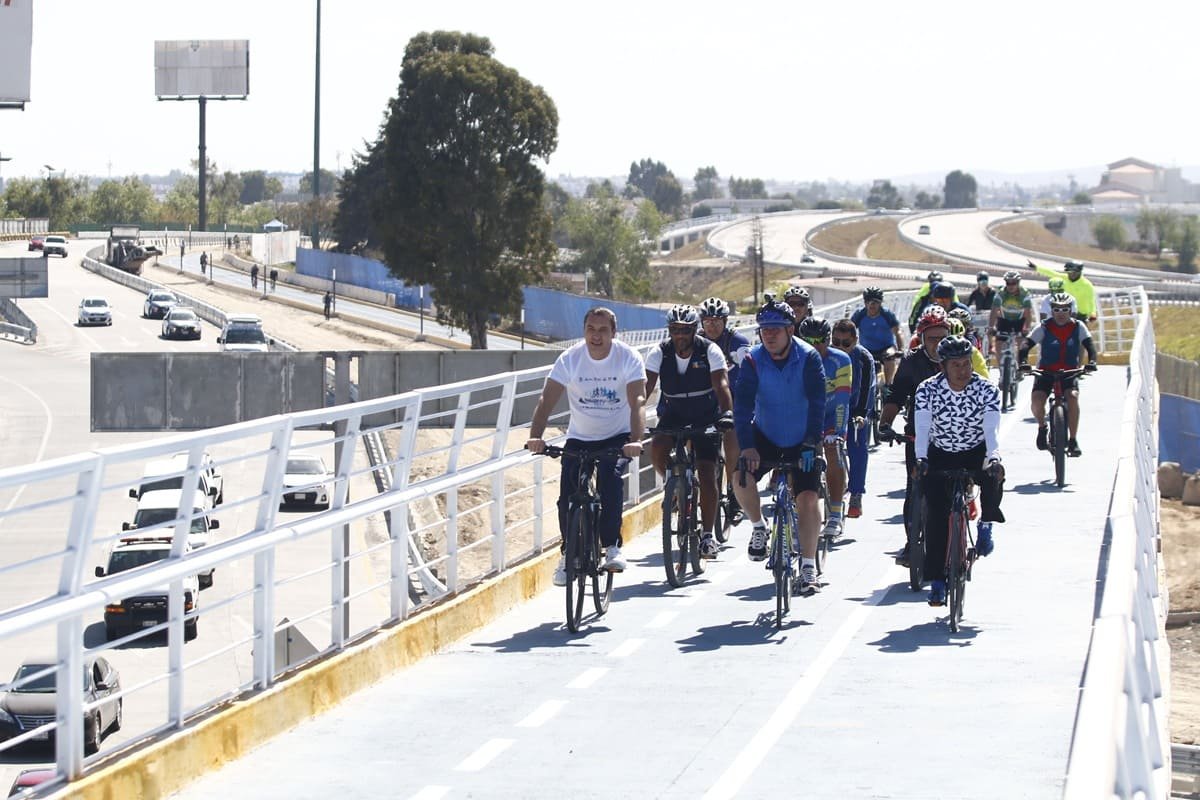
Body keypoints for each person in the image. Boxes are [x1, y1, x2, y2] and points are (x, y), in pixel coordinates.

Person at [526, 308, 647, 585]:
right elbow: (546, 400)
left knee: (610, 479)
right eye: (591, 329)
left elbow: (638, 400)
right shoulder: (570, 359)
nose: (596, 335)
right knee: (567, 495)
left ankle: (612, 545)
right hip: (580, 437)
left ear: (613, 333)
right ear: (584, 331)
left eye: (603, 330)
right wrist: (536, 436)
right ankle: (568, 555)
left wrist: (636, 440)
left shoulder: (627, 357)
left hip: (616, 436)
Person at [732, 298, 826, 595]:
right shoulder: (752, 360)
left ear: (790, 330)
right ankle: (759, 527)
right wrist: (747, 447)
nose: (768, 335)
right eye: (763, 330)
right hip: (766, 435)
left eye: (775, 329)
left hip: (802, 439)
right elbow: (743, 407)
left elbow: (818, 403)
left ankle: (809, 566)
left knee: (808, 498)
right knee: (739, 478)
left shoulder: (809, 357)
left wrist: (812, 443)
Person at [914, 335, 1005, 606]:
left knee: (994, 474)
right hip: (940, 453)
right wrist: (921, 458)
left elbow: (991, 429)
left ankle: (986, 523)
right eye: (956, 365)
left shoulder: (987, 390)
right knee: (937, 516)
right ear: (943, 366)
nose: (963, 370)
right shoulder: (927, 390)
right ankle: (938, 582)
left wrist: (994, 457)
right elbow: (922, 427)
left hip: (975, 450)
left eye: (966, 364)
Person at [645, 305, 734, 558]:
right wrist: (633, 413)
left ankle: (707, 536)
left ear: (695, 329)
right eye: (675, 330)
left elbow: (722, 384)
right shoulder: (659, 352)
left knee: (707, 473)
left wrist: (727, 414)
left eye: (685, 330)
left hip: (705, 414)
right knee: (658, 446)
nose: (679, 335)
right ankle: (673, 487)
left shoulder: (709, 350)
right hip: (674, 412)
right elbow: (646, 386)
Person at [878, 306, 950, 563]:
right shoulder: (911, 362)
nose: (938, 344)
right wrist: (885, 424)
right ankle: (912, 542)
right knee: (915, 489)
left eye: (943, 337)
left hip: (954, 435)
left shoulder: (958, 358)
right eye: (932, 338)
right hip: (918, 436)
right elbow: (897, 396)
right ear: (921, 338)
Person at [1019, 293, 1099, 456]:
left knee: (1073, 397)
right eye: (1056, 309)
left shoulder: (1078, 326)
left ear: (1071, 311)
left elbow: (1090, 346)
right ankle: (1042, 427)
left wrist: (1091, 362)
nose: (1060, 313)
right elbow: (1026, 345)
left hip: (1069, 372)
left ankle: (1073, 440)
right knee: (1037, 400)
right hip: (1045, 372)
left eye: (1065, 309)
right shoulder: (1044, 327)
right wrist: (1023, 363)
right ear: (1051, 311)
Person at [798, 317, 852, 538]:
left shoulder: (841, 360)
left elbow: (841, 400)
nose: (815, 346)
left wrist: (837, 434)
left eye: (820, 341)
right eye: (809, 341)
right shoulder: (795, 359)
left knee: (833, 452)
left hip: (831, 415)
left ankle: (836, 514)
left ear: (828, 339)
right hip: (804, 416)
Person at [699, 296, 751, 521]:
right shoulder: (696, 341)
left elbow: (750, 366)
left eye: (717, 320)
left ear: (726, 321)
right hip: (704, 402)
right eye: (708, 320)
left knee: (732, 441)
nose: (712, 325)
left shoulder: (737, 341)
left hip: (734, 401)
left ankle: (732, 493)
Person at [830, 319, 876, 519]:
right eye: (836, 342)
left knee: (857, 444)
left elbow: (867, 388)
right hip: (832, 407)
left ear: (855, 341)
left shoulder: (864, 358)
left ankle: (856, 493)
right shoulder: (827, 355)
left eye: (846, 343)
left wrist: (861, 414)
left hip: (857, 405)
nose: (840, 347)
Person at [851, 286, 905, 385]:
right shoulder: (860, 315)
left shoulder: (887, 314)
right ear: (865, 303)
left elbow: (898, 332)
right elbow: (850, 330)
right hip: (866, 349)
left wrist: (901, 349)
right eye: (869, 302)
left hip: (886, 347)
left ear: (880, 303)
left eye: (875, 302)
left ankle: (888, 386)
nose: (872, 305)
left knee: (890, 356)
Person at [988, 270, 1033, 364]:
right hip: (1004, 321)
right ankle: (1002, 370)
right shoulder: (1001, 294)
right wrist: (991, 327)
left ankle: (1020, 365)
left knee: (1021, 343)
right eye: (1008, 283)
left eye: (1014, 283)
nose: (1011, 285)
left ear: (1018, 283)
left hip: (1019, 321)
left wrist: (1027, 328)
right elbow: (994, 311)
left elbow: (1028, 314)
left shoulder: (1024, 294)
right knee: (998, 344)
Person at [1030, 258, 1096, 322]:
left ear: (1079, 272)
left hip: (1080, 315)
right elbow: (1052, 273)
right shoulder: (1064, 278)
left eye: (1073, 273)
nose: (1071, 275)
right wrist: (1036, 268)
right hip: (1067, 312)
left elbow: (1091, 301)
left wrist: (1093, 313)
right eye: (1069, 272)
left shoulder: (1087, 285)